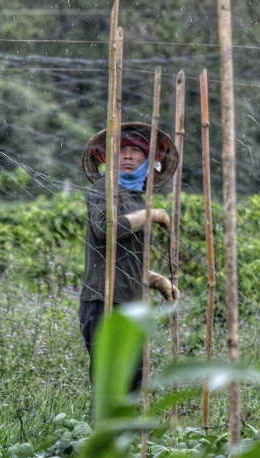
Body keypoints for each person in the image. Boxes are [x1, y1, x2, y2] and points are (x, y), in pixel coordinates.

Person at [79, 122, 181, 394]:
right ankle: (102, 435)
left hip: (132, 303)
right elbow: (105, 230)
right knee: (110, 383)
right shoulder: (103, 188)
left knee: (134, 381)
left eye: (136, 150)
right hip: (103, 300)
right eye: (121, 150)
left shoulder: (139, 199)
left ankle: (126, 436)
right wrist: (154, 215)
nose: (127, 155)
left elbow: (125, 259)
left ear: (148, 159)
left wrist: (155, 280)